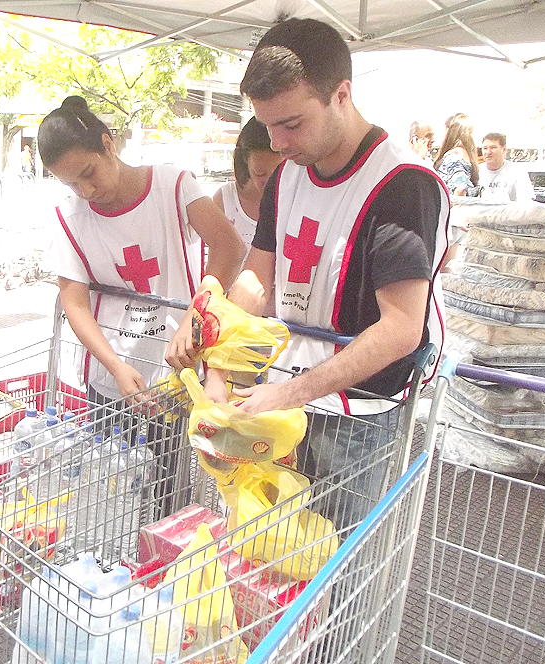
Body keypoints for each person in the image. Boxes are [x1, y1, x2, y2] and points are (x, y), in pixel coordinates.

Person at [169, 18, 448, 530]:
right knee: (272, 556)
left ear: (341, 94)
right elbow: (255, 281)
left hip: (356, 416)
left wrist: (292, 392)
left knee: (339, 573)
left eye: (291, 124)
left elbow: (402, 328)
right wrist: (218, 369)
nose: (276, 143)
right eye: (266, 125)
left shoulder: (403, 186)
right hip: (280, 400)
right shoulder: (287, 177)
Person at [40, 96, 244, 405]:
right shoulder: (69, 218)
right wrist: (115, 367)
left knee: (170, 451)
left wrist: (195, 313)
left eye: (89, 173)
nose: (87, 191)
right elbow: (76, 304)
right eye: (72, 184)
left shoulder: (174, 187)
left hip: (178, 366)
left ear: (108, 144)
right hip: (111, 378)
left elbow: (229, 246)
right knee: (111, 453)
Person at [212, 116, 285, 248]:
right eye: (260, 173)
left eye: (277, 174)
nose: (269, 183)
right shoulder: (225, 200)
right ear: (245, 159)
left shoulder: (298, 199)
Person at [479, 132, 535, 202]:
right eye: (485, 148)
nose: (488, 152)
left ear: (504, 149)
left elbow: (526, 202)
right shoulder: (476, 171)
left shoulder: (518, 171)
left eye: (493, 148)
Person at [434, 115, 481, 197]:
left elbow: (461, 187)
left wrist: (454, 207)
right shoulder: (467, 156)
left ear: (448, 131)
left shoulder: (453, 156)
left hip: (451, 206)